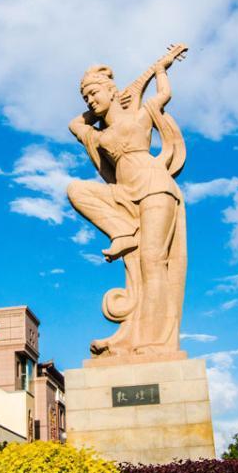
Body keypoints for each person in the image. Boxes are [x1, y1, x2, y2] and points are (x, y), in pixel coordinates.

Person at [66, 45, 188, 357]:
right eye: (86, 98)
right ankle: (122, 232)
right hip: (124, 193)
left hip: (154, 187)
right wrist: (98, 101)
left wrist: (160, 69)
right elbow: (75, 125)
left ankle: (155, 341)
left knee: (151, 262)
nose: (90, 100)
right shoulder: (98, 134)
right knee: (76, 190)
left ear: (112, 90)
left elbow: (163, 95)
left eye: (94, 94)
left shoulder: (142, 113)